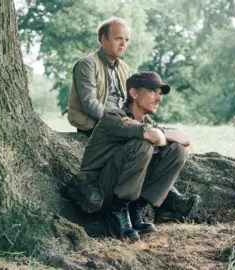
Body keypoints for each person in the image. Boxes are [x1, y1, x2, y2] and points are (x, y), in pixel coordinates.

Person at [69, 71, 201, 241]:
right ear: (134, 93)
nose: (159, 99)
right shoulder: (114, 116)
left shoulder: (148, 123)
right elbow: (156, 137)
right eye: (153, 91)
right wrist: (160, 134)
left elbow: (185, 140)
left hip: (121, 186)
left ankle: (135, 208)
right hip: (98, 189)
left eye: (160, 94)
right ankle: (117, 213)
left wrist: (160, 134)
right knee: (142, 144)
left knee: (177, 151)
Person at [66, 17, 131, 137]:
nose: (123, 44)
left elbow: (129, 101)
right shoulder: (87, 64)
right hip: (95, 126)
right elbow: (90, 103)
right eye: (118, 39)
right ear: (103, 39)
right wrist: (119, 121)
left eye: (126, 40)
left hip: (121, 124)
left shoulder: (124, 68)